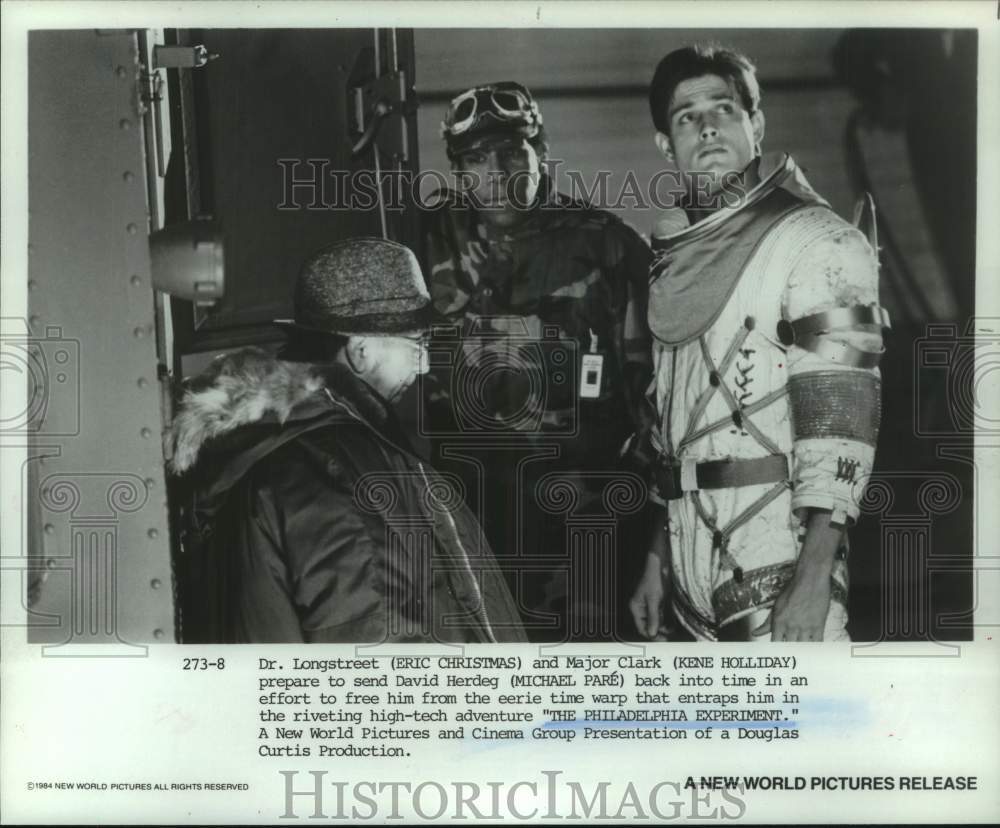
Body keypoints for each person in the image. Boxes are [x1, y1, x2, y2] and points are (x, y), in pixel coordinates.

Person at [630, 45, 890, 642]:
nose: (708, 125)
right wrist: (658, 555)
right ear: (667, 146)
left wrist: (815, 576)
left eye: (724, 107)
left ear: (757, 124)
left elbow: (843, 425)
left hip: (779, 556)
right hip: (689, 559)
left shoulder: (816, 242)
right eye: (686, 116)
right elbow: (672, 425)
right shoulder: (671, 262)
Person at [168, 237, 526, 644]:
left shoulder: (261, 446)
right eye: (418, 344)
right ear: (359, 350)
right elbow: (379, 654)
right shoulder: (347, 475)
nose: (425, 365)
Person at [419, 81, 654, 641]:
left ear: (541, 150)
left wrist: (655, 539)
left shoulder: (609, 248)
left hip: (586, 536)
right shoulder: (420, 245)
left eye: (510, 153)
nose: (495, 173)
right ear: (457, 171)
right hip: (465, 530)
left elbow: (658, 401)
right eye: (475, 160)